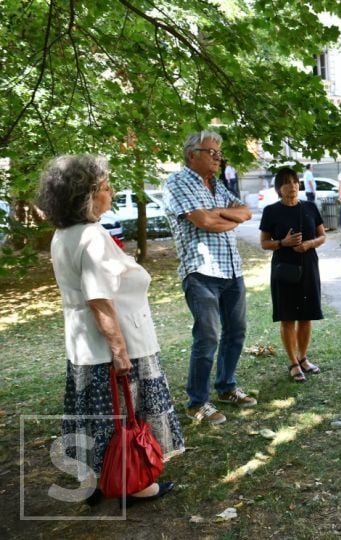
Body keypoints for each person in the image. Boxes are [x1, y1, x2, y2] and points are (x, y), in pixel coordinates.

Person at [37, 154, 183, 507]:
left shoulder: (63, 234)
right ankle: (134, 485)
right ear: (85, 197)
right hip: (116, 344)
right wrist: (120, 352)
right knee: (123, 417)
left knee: (98, 418)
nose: (111, 192)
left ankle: (101, 481)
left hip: (85, 345)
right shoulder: (91, 236)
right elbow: (100, 301)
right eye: (104, 187)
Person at [164, 130, 257, 425]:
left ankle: (226, 387)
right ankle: (197, 403)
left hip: (231, 269)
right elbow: (203, 222)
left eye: (219, 153)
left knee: (236, 331)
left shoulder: (218, 185)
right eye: (212, 153)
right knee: (208, 336)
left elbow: (246, 213)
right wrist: (221, 217)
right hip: (200, 271)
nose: (218, 158)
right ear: (193, 154)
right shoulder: (176, 183)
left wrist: (217, 213)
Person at [259, 167, 326, 382]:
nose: (293, 186)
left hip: (308, 266)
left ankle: (303, 358)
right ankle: (293, 363)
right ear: (279, 188)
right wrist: (283, 243)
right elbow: (264, 243)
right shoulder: (271, 211)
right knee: (287, 317)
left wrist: (308, 244)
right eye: (287, 183)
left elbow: (322, 236)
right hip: (284, 268)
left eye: (295, 182)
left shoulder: (309, 207)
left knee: (306, 315)